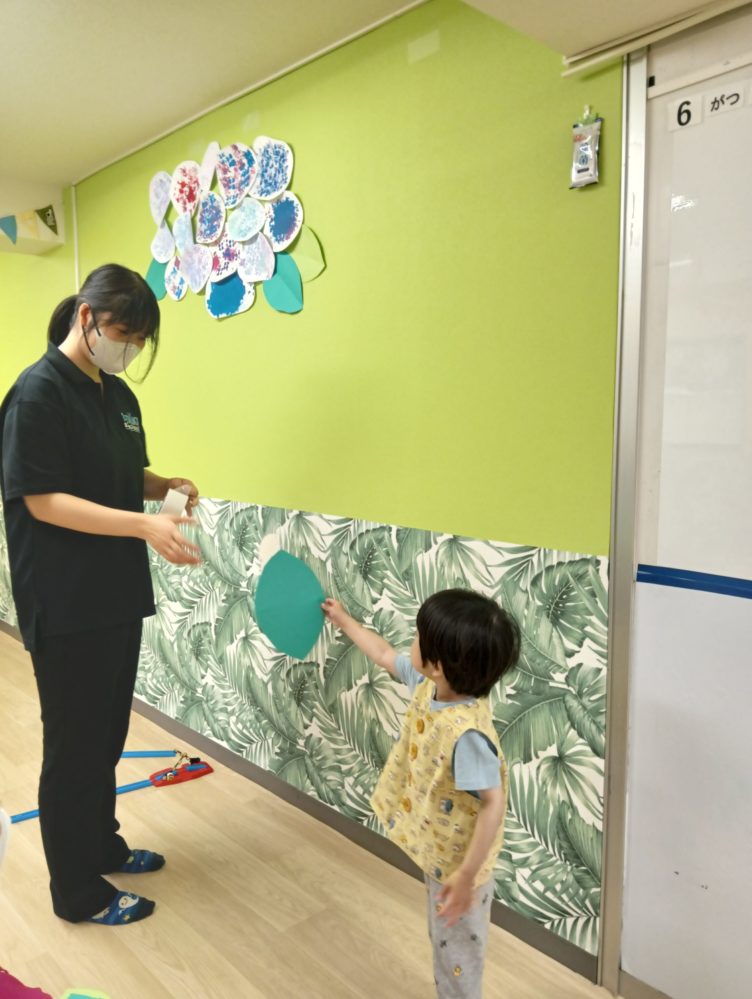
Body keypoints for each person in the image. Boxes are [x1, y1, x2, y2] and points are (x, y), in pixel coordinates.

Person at [0, 263, 201, 926]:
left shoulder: (118, 396)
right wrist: (145, 525)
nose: (130, 348)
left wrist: (162, 485)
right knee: (74, 747)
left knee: (106, 733)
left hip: (116, 594)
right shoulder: (36, 394)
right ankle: (76, 891)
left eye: (140, 340)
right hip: (64, 601)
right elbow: (43, 498)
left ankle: (102, 845)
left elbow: (118, 469)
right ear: (86, 317)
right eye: (124, 333)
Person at [322, 588, 520, 998]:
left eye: (417, 636)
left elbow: (493, 802)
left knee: (459, 958)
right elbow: (382, 654)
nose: (410, 641)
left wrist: (466, 877)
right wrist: (345, 621)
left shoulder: (467, 736)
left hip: (462, 869)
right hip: (442, 855)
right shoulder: (431, 687)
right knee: (444, 942)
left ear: (439, 665)